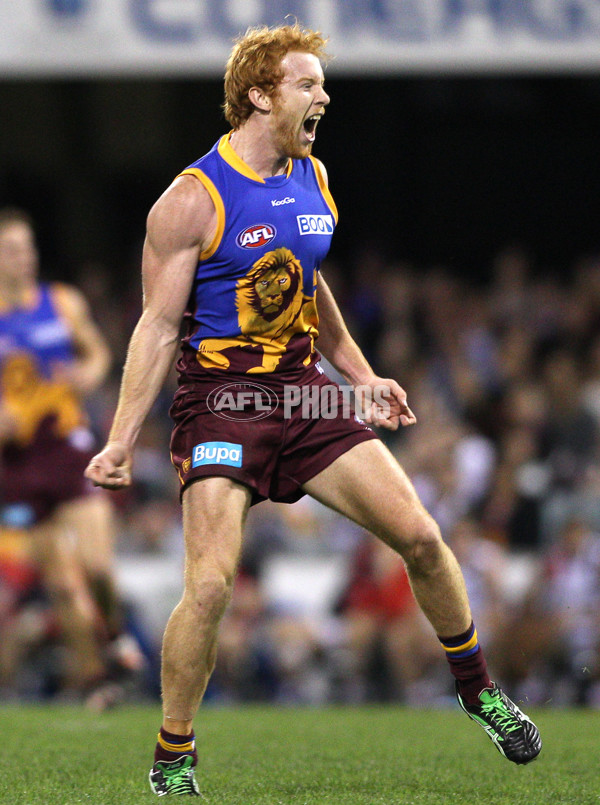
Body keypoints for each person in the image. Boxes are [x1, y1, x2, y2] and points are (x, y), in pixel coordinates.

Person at [84, 23, 542, 797]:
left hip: (304, 393)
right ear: (260, 95)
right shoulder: (191, 200)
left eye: (321, 84)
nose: (323, 95)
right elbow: (157, 326)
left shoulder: (312, 175)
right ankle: (172, 757)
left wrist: (360, 373)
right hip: (223, 402)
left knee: (424, 538)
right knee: (211, 585)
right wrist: (121, 439)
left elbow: (310, 284)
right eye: (307, 84)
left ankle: (477, 690)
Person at [0, 207, 141, 704]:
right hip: (16, 462)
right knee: (60, 585)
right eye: (13, 249)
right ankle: (96, 681)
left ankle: (117, 632)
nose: (25, 257)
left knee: (96, 567)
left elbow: (97, 352)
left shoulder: (60, 302)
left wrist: (88, 373)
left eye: (28, 246)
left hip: (67, 445)